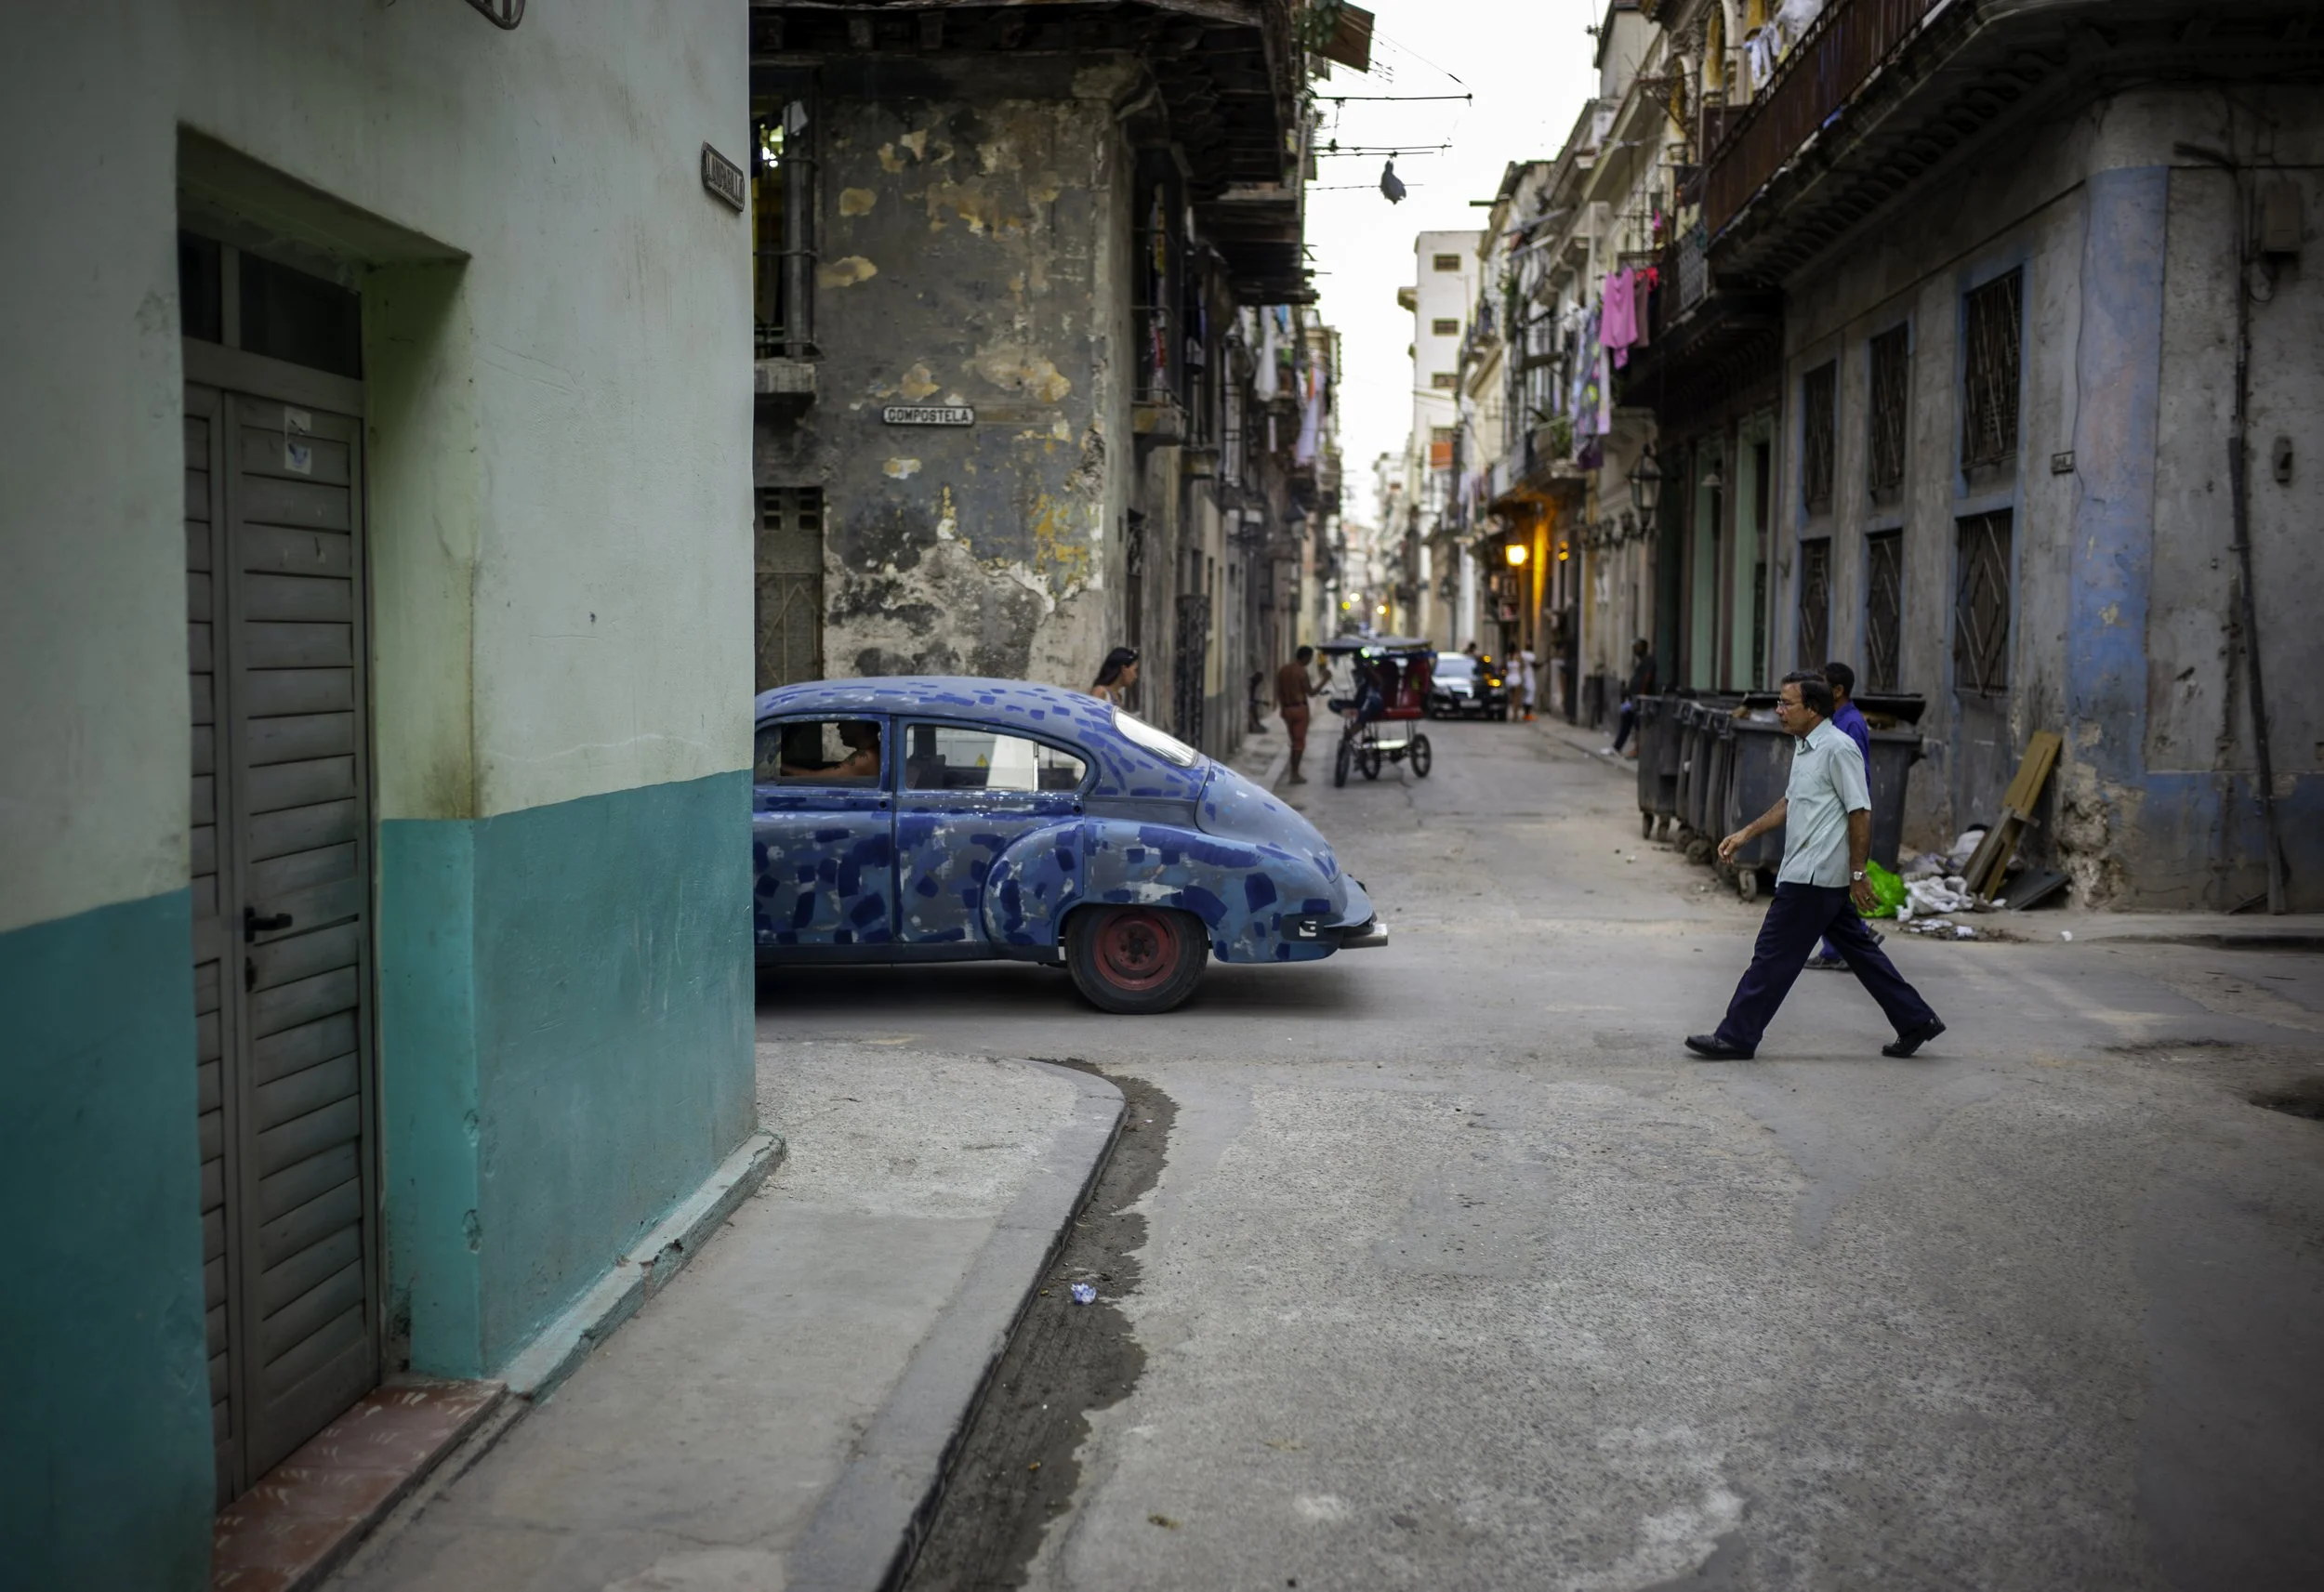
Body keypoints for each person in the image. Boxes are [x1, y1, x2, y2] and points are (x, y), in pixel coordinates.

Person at [1684, 671, 1945, 1061]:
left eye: (1786, 703)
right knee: (1859, 950)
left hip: (1813, 875)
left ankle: (1736, 1036)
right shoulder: (1805, 746)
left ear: (1812, 709)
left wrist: (1858, 873)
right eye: (1779, 702)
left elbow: (1860, 811)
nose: (1779, 710)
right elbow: (1792, 801)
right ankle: (1916, 1019)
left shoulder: (1838, 748)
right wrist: (1746, 833)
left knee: (1772, 954)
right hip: (1813, 873)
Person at [1805, 661, 1879, 970]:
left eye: (1821, 684)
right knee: (1827, 884)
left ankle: (1857, 939)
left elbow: (1855, 778)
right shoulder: (1834, 720)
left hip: (1841, 814)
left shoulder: (1850, 725)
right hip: (1828, 813)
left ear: (1837, 691)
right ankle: (1837, 948)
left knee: (1831, 885)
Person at [1275, 645, 1319, 783]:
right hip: (1299, 709)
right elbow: (1311, 693)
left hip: (1287, 709)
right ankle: (1294, 773)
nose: (1310, 661)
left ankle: (1294, 772)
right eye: (1310, 658)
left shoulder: (1283, 670)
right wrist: (1325, 680)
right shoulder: (1301, 671)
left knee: (1294, 742)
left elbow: (1279, 691)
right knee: (1299, 743)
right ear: (1305, 657)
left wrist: (1283, 708)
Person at [1606, 638, 1657, 756]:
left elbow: (1648, 676)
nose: (1634, 649)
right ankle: (1617, 747)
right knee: (1627, 719)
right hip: (1633, 697)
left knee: (1638, 722)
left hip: (1639, 698)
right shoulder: (1641, 662)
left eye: (1636, 647)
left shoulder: (1649, 660)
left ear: (1643, 647)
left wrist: (1642, 692)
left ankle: (1638, 749)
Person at [1516, 647, 1538, 722]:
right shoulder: (1529, 655)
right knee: (1530, 693)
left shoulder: (1523, 654)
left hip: (1525, 676)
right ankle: (1527, 714)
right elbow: (1535, 665)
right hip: (1528, 677)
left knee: (1526, 695)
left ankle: (1526, 714)